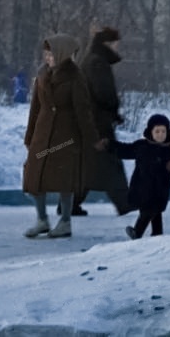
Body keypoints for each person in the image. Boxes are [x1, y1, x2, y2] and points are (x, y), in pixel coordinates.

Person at [22, 34, 102, 238]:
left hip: (66, 137)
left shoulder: (75, 77)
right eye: (46, 54)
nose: (47, 57)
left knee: (65, 179)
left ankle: (65, 222)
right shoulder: (42, 74)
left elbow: (83, 111)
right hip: (42, 133)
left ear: (62, 54)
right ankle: (42, 220)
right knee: (34, 175)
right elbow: (35, 107)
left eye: (50, 54)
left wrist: (91, 139)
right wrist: (29, 135)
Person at [72, 25, 132, 216]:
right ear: (107, 43)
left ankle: (71, 203)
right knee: (110, 162)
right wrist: (114, 109)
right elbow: (104, 92)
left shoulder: (90, 60)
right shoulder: (98, 63)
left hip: (88, 121)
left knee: (89, 164)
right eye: (115, 43)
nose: (117, 47)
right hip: (98, 122)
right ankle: (125, 203)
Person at [112, 113, 170, 239]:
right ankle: (157, 233)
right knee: (152, 212)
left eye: (163, 131)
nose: (160, 134)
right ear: (151, 131)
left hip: (160, 191)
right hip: (142, 189)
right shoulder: (142, 146)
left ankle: (137, 232)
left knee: (151, 210)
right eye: (157, 131)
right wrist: (109, 145)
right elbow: (126, 150)